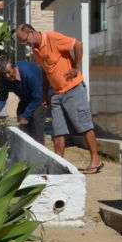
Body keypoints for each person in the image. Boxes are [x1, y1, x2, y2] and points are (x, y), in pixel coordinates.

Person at [15, 24, 103, 174]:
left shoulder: (52, 37)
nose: (26, 44)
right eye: (23, 43)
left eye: (25, 40)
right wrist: (44, 94)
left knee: (84, 125)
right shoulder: (36, 51)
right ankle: (57, 164)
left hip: (73, 89)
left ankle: (96, 160)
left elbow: (77, 44)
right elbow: (44, 73)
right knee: (58, 131)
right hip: (55, 94)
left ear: (31, 32)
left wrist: (76, 67)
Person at [0, 56, 47, 144]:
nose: (7, 76)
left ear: (15, 67)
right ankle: (24, 151)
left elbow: (37, 97)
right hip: (25, 98)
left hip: (39, 99)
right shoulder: (4, 77)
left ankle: (39, 151)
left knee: (36, 127)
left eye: (8, 72)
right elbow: (2, 95)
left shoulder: (29, 73)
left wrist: (25, 116)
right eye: (3, 74)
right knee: (22, 129)